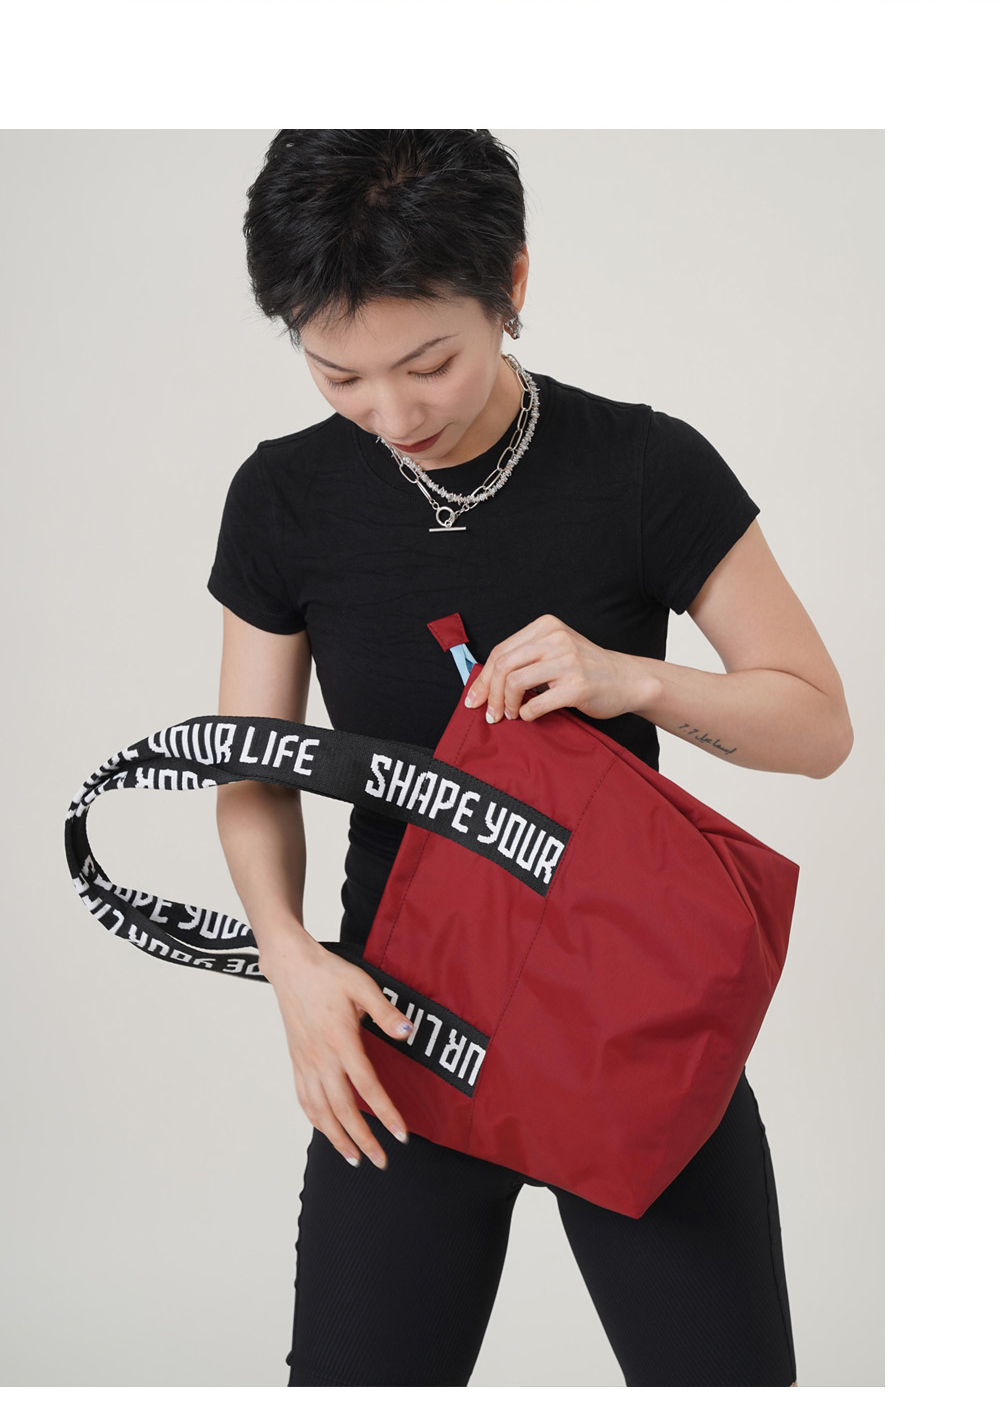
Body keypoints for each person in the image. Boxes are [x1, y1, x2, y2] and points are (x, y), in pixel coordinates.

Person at [207, 129, 851, 1387]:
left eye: (429, 364)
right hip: (398, 1025)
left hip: (635, 1020)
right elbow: (254, 769)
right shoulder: (284, 498)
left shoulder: (644, 466)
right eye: (337, 375)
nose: (392, 416)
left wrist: (631, 678)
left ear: (510, 284)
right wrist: (291, 959)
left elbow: (817, 726)